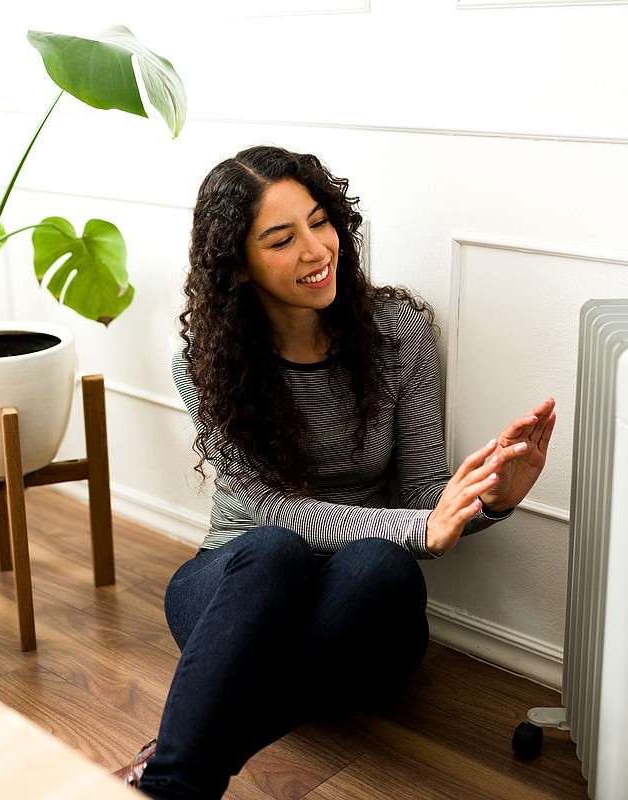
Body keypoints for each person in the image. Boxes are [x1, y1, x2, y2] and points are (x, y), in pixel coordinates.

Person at [126, 145, 556, 799]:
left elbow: (422, 494)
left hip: (362, 615)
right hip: (240, 592)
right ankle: (180, 785)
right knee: (275, 547)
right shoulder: (203, 362)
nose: (316, 249)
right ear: (237, 267)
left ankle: (178, 763)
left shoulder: (400, 334)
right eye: (281, 238)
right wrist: (421, 527)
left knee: (381, 565)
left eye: (321, 221)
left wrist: (490, 501)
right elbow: (271, 508)